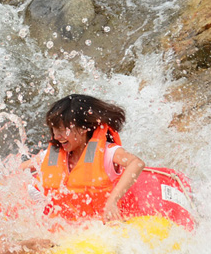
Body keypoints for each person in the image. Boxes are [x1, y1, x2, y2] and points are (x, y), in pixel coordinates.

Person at [35, 94, 145, 223]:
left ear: (84, 128)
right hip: (66, 228)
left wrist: (113, 200)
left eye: (61, 130)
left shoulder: (107, 152)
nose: (56, 136)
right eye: (54, 129)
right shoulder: (52, 156)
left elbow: (137, 163)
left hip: (101, 227)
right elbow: (18, 170)